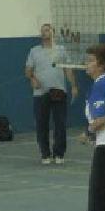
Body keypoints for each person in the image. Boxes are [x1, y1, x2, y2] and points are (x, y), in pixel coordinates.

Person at [25, 23, 79, 165]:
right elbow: (28, 70)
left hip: (59, 91)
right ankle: (45, 154)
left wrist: (73, 85)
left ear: (53, 33)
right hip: (40, 93)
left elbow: (67, 69)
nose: (45, 33)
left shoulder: (61, 50)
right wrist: (32, 79)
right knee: (41, 124)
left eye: (47, 30)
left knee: (60, 124)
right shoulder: (34, 51)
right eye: (42, 31)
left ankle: (59, 153)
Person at [83, 44, 105, 211]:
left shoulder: (100, 85)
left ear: (101, 65)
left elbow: (100, 119)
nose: (87, 64)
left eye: (91, 61)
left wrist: (88, 132)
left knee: (98, 186)